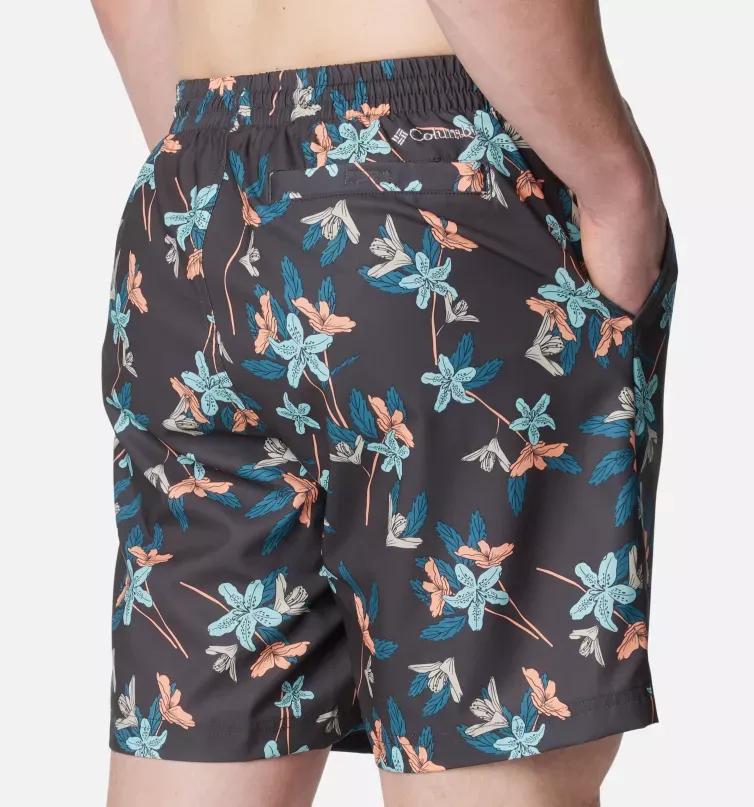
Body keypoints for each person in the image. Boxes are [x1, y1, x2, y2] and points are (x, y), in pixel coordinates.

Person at [94, 1, 676, 804]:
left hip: (193, 207)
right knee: (487, 757)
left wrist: (226, 176)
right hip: (426, 197)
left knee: (199, 739)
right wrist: (618, 184)